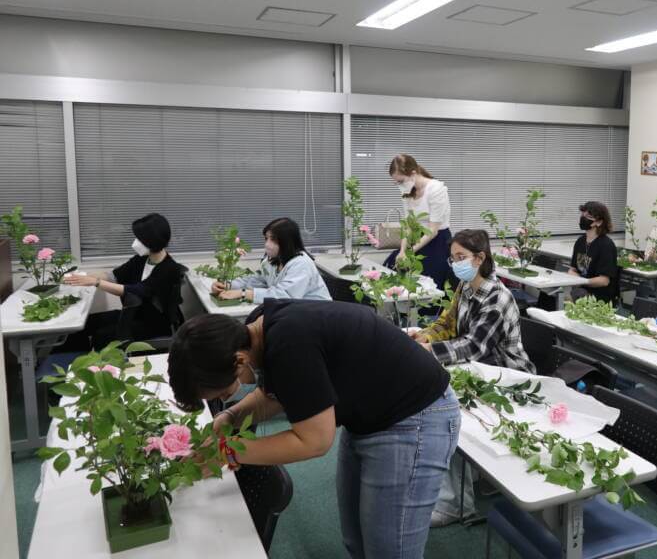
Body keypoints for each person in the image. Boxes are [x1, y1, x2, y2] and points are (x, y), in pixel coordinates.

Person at [168, 300, 460, 559]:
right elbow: (285, 391)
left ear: (239, 360)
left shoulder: (288, 342)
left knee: (388, 551)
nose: (223, 398)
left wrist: (227, 452)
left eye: (220, 393)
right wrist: (232, 415)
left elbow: (314, 441)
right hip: (371, 416)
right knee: (356, 541)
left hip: (416, 418)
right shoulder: (259, 328)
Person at [413, 229, 535, 527]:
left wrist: (428, 351)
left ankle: (458, 505)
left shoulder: (496, 297)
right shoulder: (465, 286)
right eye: (453, 258)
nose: (455, 264)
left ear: (480, 258)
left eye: (461, 258)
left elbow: (473, 345)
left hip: (510, 378)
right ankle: (463, 482)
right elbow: (447, 322)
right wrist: (422, 336)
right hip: (480, 368)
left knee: (445, 416)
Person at [63, 213, 185, 348]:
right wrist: (83, 277)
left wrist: (95, 282)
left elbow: (138, 291)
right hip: (132, 315)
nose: (135, 242)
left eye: (139, 238)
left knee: (101, 336)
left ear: (151, 240)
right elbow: (114, 275)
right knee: (83, 325)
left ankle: (98, 367)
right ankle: (69, 364)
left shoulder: (169, 269)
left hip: (153, 323)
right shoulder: (142, 259)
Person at [211, 217, 330, 303]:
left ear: (287, 242)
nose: (267, 244)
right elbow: (257, 280)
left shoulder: (301, 264)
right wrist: (227, 285)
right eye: (266, 238)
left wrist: (243, 293)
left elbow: (284, 295)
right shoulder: (272, 260)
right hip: (294, 313)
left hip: (317, 315)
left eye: (273, 239)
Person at [386, 154, 452, 289]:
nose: (399, 185)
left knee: (429, 284)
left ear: (413, 173)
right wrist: (403, 251)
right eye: (396, 182)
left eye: (401, 181)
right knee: (393, 266)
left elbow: (433, 231)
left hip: (437, 240)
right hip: (416, 239)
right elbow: (408, 224)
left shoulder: (436, 189)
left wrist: (410, 252)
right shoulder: (408, 190)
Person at [567, 201, 620, 304]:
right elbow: (572, 270)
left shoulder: (606, 245)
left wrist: (582, 281)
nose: (583, 218)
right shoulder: (580, 241)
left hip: (599, 298)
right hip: (580, 291)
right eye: (582, 215)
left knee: (563, 299)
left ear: (599, 222)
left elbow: (604, 281)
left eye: (588, 216)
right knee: (551, 296)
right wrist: (576, 278)